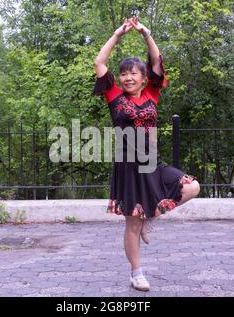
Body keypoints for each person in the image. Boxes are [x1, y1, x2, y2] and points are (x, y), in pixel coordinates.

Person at [92, 16, 200, 292]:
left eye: (133, 73)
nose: (128, 77)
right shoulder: (114, 96)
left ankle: (152, 217)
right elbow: (99, 64)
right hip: (128, 167)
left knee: (192, 187)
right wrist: (117, 35)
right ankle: (136, 272)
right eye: (124, 73)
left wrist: (145, 33)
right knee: (132, 225)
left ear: (143, 78)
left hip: (152, 162)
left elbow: (156, 63)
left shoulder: (152, 94)